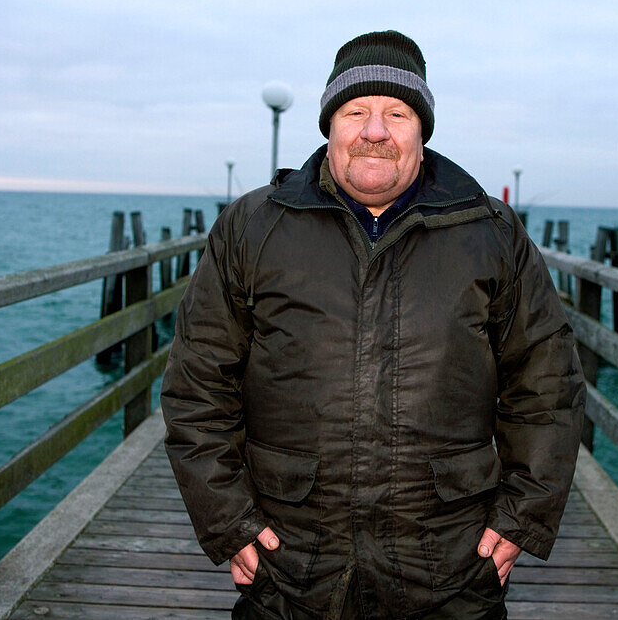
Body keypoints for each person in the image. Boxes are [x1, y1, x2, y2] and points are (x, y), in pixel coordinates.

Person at [160, 30, 585, 619]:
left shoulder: (491, 232)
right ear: (330, 125)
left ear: (422, 129)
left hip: (450, 565)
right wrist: (227, 520)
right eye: (356, 111)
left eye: (398, 113)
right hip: (290, 565)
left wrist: (522, 517)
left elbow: (547, 384)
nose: (375, 131)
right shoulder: (252, 226)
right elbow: (198, 385)